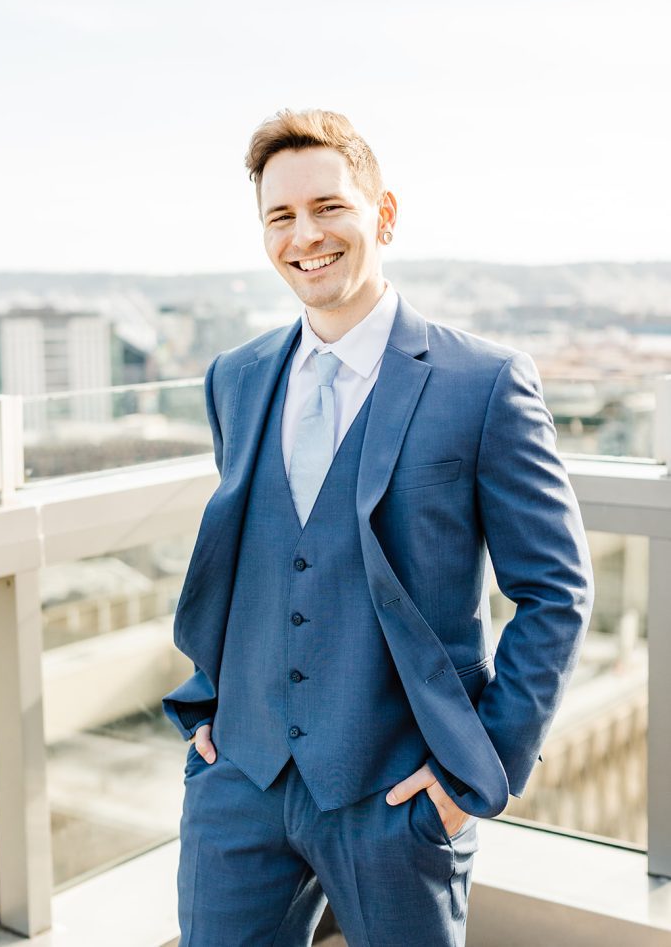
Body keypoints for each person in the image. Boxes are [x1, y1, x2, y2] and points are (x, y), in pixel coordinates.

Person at [162, 109, 594, 947]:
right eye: (280, 217)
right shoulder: (236, 377)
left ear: (383, 215)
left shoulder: (484, 382)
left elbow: (555, 591)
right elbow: (253, 558)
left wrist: (478, 770)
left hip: (398, 795)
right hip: (238, 779)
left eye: (329, 207)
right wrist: (211, 713)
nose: (305, 236)